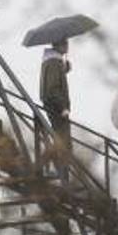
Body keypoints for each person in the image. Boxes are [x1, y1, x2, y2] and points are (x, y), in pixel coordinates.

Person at [40, 38, 71, 179]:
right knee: (64, 141)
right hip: (56, 106)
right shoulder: (53, 62)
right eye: (65, 44)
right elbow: (52, 88)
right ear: (58, 45)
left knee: (62, 139)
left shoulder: (54, 61)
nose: (67, 46)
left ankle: (60, 172)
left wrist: (64, 70)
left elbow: (53, 82)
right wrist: (63, 107)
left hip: (53, 104)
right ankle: (61, 174)